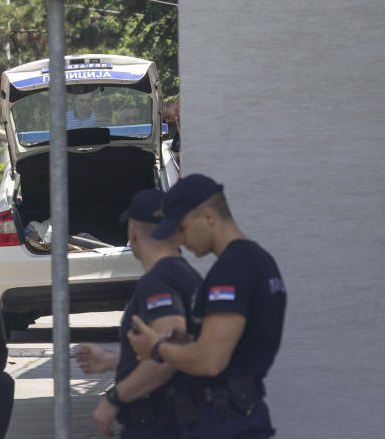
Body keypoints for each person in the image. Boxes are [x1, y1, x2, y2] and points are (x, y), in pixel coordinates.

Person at [127, 174, 287, 439]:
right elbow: (240, 344)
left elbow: (210, 361)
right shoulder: (259, 260)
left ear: (209, 217)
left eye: (181, 228)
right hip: (237, 415)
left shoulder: (233, 268)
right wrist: (188, 339)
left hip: (225, 421)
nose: (178, 240)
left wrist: (157, 348)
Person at [74, 189, 203, 438]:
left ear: (132, 233)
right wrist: (113, 360)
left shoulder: (158, 282)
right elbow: (175, 347)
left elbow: (168, 354)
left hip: (158, 423)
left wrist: (113, 399)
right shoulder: (187, 276)